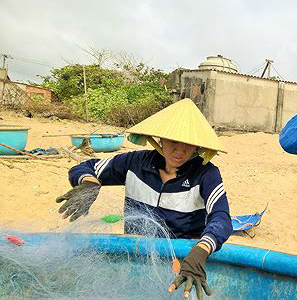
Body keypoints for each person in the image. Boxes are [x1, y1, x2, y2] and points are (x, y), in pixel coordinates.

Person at [56, 98, 232, 299]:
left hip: (182, 264)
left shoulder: (206, 174)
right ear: (160, 139)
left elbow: (222, 218)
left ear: (198, 147)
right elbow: (85, 168)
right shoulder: (135, 162)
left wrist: (200, 251)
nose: (180, 151)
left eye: (189, 144)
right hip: (135, 259)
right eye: (174, 141)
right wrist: (90, 184)